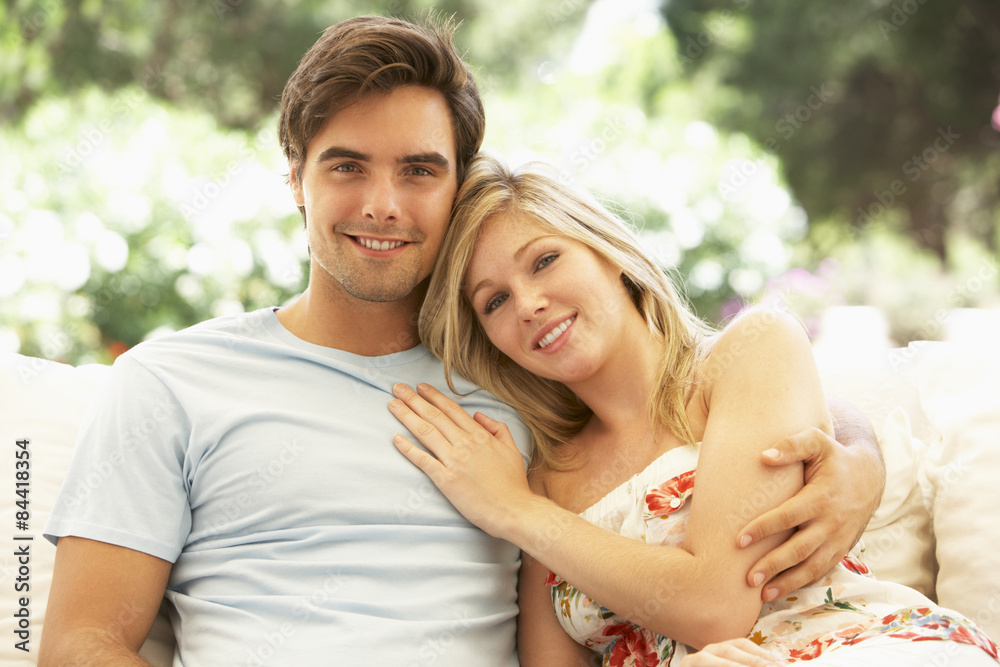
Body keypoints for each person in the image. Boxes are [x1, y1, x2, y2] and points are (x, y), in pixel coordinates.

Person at [40, 14, 882, 666]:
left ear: (458, 186)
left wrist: (856, 452)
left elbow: (690, 406)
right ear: (294, 179)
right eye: (345, 166)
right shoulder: (170, 382)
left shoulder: (522, 373)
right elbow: (80, 642)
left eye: (418, 169)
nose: (383, 203)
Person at [387, 154, 1000, 665]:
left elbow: (717, 606)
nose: (528, 303)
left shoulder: (750, 352)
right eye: (493, 301)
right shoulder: (541, 480)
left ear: (611, 254)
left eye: (545, 260)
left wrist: (516, 514)